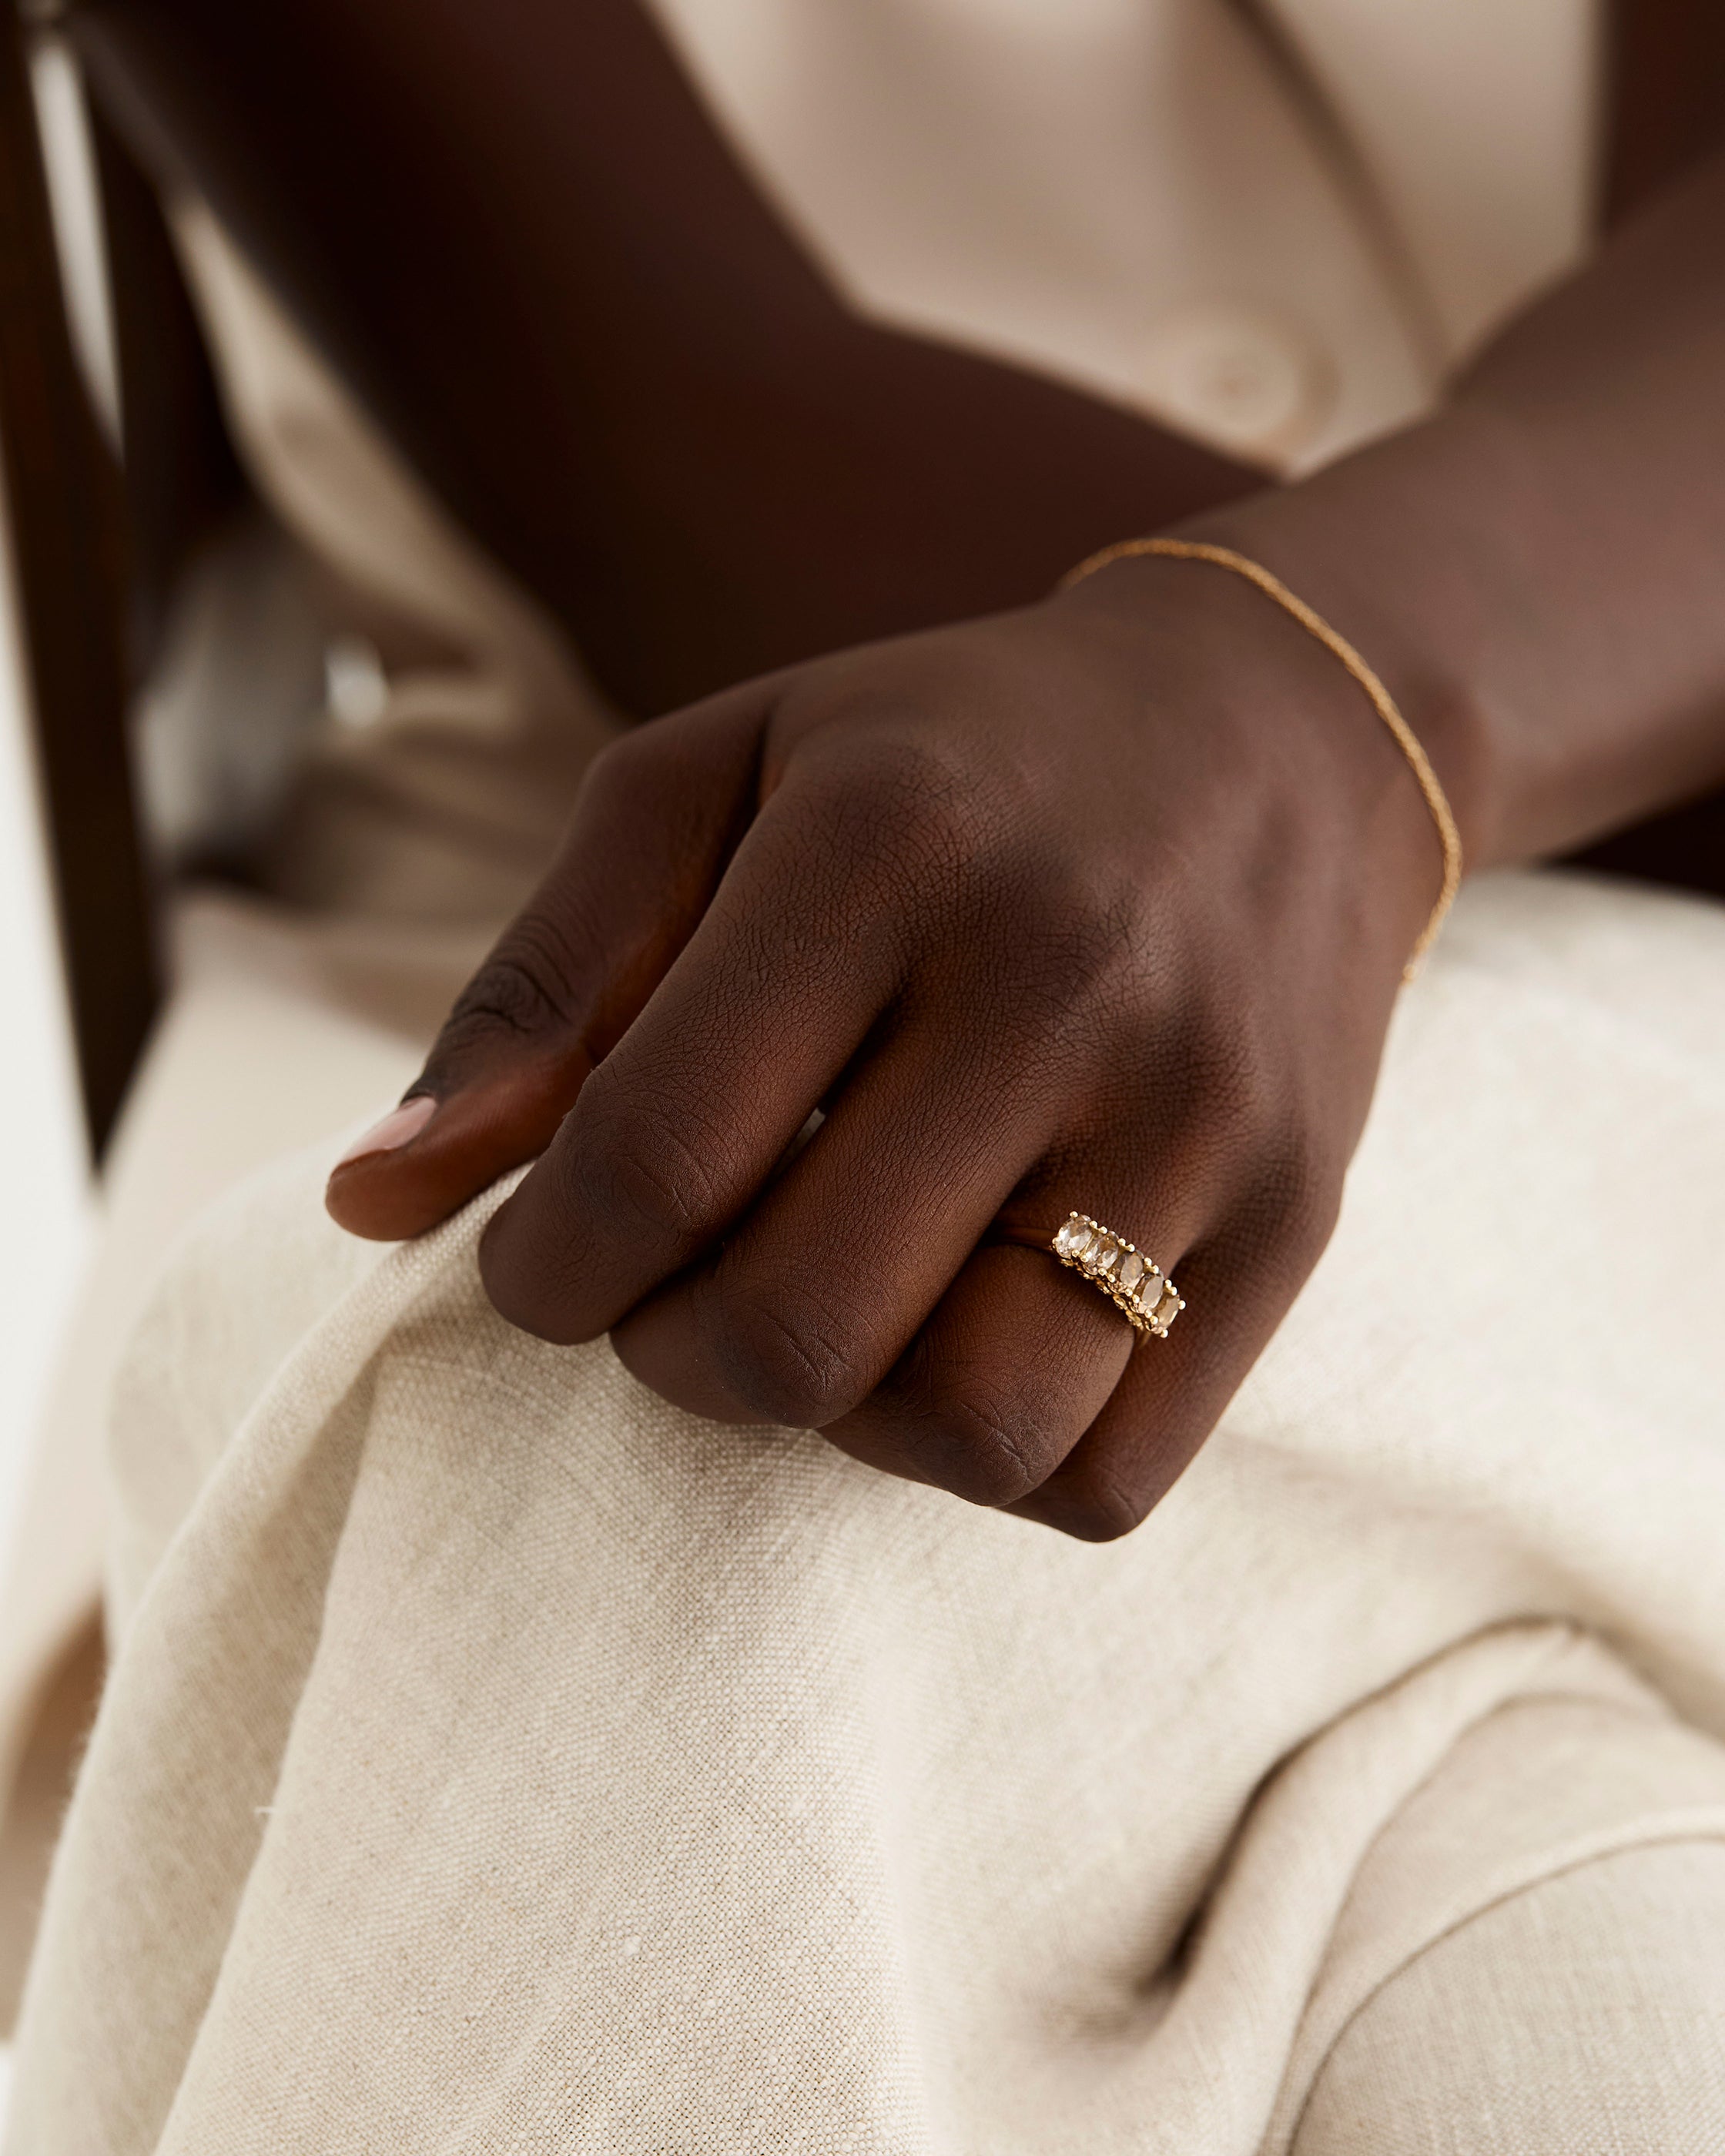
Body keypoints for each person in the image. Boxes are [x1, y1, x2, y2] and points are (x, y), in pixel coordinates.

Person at [5, 2, 1725, 2148]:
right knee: (1598, 2028)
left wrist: (1331, 698)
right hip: (602, 897)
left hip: (1648, 1111)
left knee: (663, 1494)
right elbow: (691, 442)